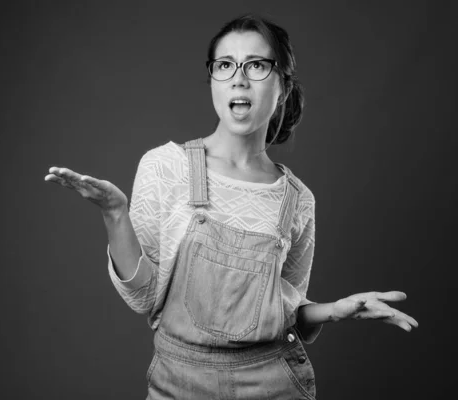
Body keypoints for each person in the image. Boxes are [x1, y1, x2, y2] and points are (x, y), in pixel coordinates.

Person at [44, 14, 418, 400]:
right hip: (178, 384)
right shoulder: (165, 166)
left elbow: (283, 309)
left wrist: (336, 310)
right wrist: (115, 214)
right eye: (225, 65)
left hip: (273, 385)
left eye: (256, 65)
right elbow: (144, 297)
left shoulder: (297, 199)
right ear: (213, 82)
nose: (238, 77)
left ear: (283, 88)